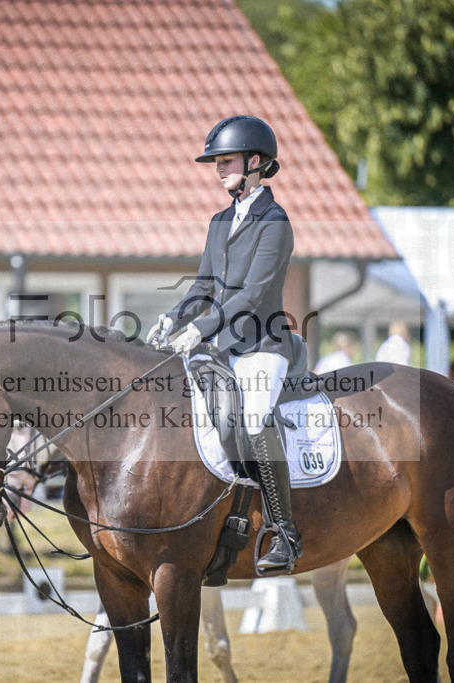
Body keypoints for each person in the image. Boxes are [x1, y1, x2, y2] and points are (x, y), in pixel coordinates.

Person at [146, 114, 300, 573]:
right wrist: (173, 318)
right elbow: (202, 286)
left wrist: (202, 328)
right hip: (223, 347)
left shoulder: (275, 222)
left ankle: (285, 533)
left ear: (255, 162)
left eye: (226, 160)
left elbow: (252, 293)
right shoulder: (219, 221)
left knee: (254, 420)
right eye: (216, 161)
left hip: (263, 345)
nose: (218, 168)